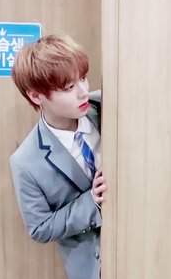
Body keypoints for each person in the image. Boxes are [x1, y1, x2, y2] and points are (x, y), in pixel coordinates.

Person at [10, 35, 106, 279]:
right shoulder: (25, 161)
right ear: (36, 96)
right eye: (68, 88)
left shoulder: (109, 106)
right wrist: (91, 202)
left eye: (83, 78)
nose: (83, 92)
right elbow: (39, 228)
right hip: (93, 268)